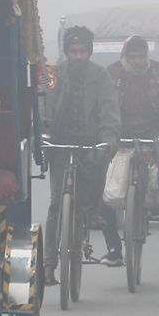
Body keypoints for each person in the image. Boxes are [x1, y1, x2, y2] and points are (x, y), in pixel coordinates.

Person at [43, 26, 121, 285]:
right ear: (66, 52)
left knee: (88, 191)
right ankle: (48, 263)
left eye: (83, 51)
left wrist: (109, 137)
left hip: (90, 144)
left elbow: (109, 107)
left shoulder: (101, 76)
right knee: (56, 203)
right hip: (60, 144)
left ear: (89, 52)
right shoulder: (54, 73)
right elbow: (46, 104)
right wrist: (43, 130)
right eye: (74, 51)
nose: (78, 55)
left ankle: (93, 212)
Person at [99, 35, 159, 266]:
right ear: (125, 57)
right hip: (118, 131)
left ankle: (154, 201)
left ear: (148, 56)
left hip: (153, 131)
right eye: (132, 57)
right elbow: (103, 105)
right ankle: (114, 249)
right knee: (104, 187)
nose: (137, 61)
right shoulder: (111, 74)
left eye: (141, 56)